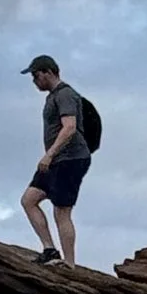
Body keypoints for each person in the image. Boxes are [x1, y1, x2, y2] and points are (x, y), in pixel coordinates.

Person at [21, 53, 91, 264]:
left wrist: (49, 154)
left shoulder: (65, 94)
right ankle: (50, 249)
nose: (34, 81)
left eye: (36, 76)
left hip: (70, 159)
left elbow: (69, 128)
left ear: (48, 72)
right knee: (29, 200)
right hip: (55, 160)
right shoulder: (51, 97)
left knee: (61, 211)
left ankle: (69, 264)